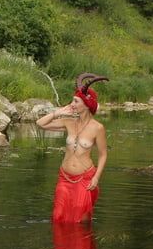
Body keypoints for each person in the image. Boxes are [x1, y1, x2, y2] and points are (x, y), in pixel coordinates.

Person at [35, 73, 108, 223]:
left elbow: (103, 155)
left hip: (85, 179)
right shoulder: (68, 122)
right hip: (65, 178)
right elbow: (40, 124)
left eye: (76, 101)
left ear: (86, 104)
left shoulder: (98, 128)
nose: (72, 104)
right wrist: (58, 113)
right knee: (58, 217)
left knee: (80, 221)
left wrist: (96, 178)